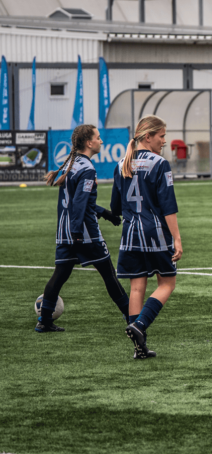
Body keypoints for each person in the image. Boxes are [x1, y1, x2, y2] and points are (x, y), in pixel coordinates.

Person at [35, 124, 128, 335]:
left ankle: (44, 321)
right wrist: (78, 232)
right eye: (98, 137)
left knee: (60, 274)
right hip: (85, 234)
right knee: (109, 274)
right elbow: (79, 203)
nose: (101, 141)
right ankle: (132, 316)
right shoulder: (87, 169)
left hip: (65, 231)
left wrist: (105, 213)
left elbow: (78, 201)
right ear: (89, 143)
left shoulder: (72, 163)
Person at [112, 115, 182, 360]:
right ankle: (140, 326)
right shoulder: (160, 164)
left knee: (136, 287)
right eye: (161, 136)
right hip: (155, 234)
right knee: (167, 284)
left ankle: (139, 348)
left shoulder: (122, 164)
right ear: (148, 136)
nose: (164, 141)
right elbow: (168, 206)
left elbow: (115, 207)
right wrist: (177, 238)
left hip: (130, 234)